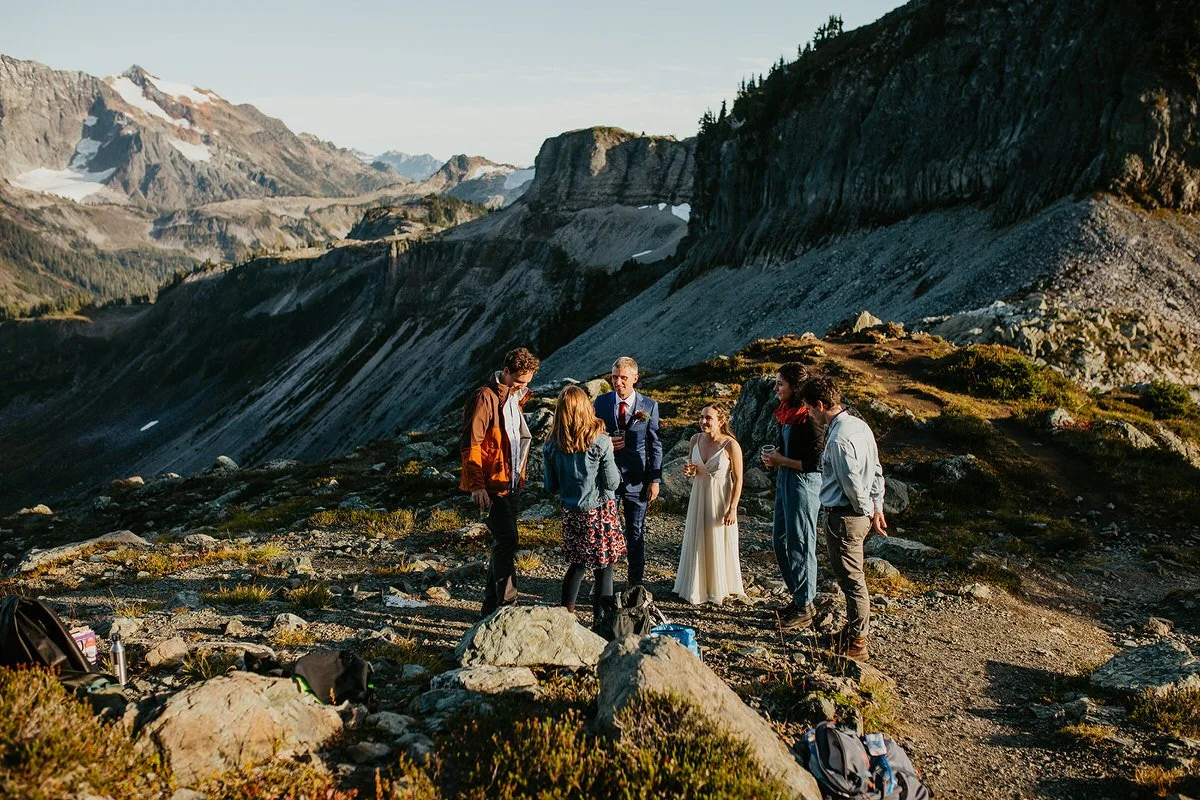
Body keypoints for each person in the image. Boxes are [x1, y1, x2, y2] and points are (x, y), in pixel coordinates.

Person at [799, 374, 886, 661]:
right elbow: (876, 469)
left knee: (851, 580)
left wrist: (864, 508)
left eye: (810, 408)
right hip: (858, 514)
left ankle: (858, 642)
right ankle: (851, 632)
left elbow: (851, 484)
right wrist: (877, 506)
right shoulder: (860, 426)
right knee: (852, 578)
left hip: (844, 516)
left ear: (821, 404)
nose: (809, 414)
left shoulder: (837, 439)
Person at [459, 347, 540, 617]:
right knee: (507, 539)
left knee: (502, 543)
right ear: (505, 372)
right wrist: (477, 485)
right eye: (518, 381)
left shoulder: (514, 400)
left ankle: (489, 608)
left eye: (526, 383)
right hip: (491, 484)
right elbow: (472, 443)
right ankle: (507, 605)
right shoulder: (485, 398)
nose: (521, 386)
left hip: (511, 483)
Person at [543, 386, 626, 618]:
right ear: (585, 409)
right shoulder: (600, 441)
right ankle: (601, 622)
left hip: (572, 512)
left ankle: (566, 616)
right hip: (600, 513)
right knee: (605, 568)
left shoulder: (551, 445)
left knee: (578, 566)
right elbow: (612, 483)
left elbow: (551, 487)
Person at [761, 362, 825, 631]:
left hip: (804, 483)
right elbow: (788, 450)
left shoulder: (809, 419)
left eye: (780, 384)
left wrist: (782, 460)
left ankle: (805, 605)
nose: (776, 388)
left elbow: (814, 464)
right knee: (781, 540)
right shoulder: (787, 413)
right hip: (786, 479)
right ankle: (798, 596)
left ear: (794, 387)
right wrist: (775, 456)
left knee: (801, 542)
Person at [593, 356, 662, 588]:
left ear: (635, 378)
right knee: (604, 531)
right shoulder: (601, 402)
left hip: (637, 479)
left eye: (623, 378)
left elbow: (654, 444)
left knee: (635, 532)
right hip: (606, 479)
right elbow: (590, 436)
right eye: (614, 377)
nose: (618, 382)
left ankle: (635, 583)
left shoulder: (649, 406)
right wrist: (605, 441)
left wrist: (654, 479)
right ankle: (603, 582)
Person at [674, 403, 745, 604]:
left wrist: (732, 509)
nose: (703, 421)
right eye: (701, 417)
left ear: (721, 421)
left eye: (708, 418)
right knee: (697, 536)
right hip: (699, 495)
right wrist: (690, 471)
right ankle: (696, 586)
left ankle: (717, 587)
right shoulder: (695, 439)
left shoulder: (731, 445)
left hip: (720, 499)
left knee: (716, 538)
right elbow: (692, 467)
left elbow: (738, 479)